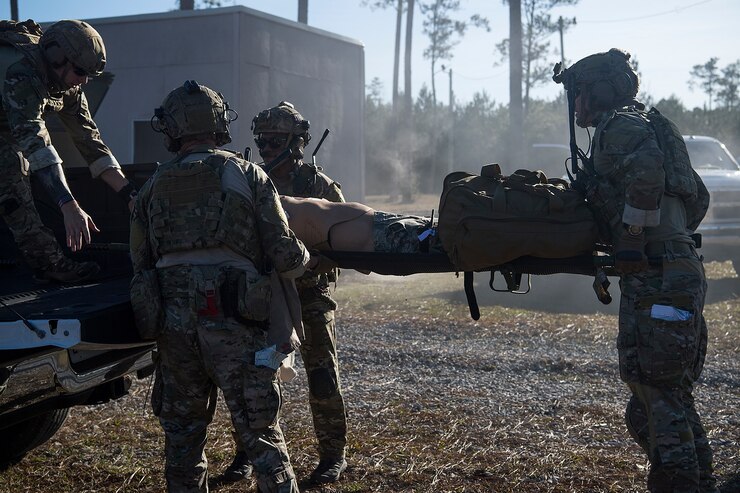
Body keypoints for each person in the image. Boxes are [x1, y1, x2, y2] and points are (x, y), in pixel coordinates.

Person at [130, 80, 327, 493]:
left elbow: (140, 262)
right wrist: (308, 261)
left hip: (173, 329)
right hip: (235, 322)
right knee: (261, 436)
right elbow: (285, 254)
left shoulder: (152, 186)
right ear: (218, 124)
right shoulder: (245, 174)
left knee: (182, 440)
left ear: (173, 129)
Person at [553, 49, 718, 493]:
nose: (576, 105)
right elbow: (696, 198)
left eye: (580, 93)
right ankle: (699, 481)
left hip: (660, 273)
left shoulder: (621, 125)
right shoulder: (649, 123)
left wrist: (632, 237)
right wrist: (668, 237)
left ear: (601, 92)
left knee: (656, 394)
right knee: (664, 396)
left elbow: (647, 176)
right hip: (673, 268)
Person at [220, 102, 349, 485]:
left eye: (275, 141)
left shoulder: (319, 186)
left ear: (296, 142)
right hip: (263, 299)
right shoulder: (251, 178)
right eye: (262, 140)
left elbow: (341, 241)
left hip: (310, 296)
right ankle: (248, 451)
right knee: (255, 380)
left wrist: (306, 263)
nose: (267, 148)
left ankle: (333, 456)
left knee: (322, 376)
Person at [0, 19, 137, 283]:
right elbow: (36, 143)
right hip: (12, 127)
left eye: (89, 75)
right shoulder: (22, 72)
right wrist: (68, 204)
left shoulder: (68, 84)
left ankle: (47, 263)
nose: (84, 81)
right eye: (80, 71)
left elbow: (90, 140)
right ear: (56, 58)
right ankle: (50, 264)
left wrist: (131, 196)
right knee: (12, 173)